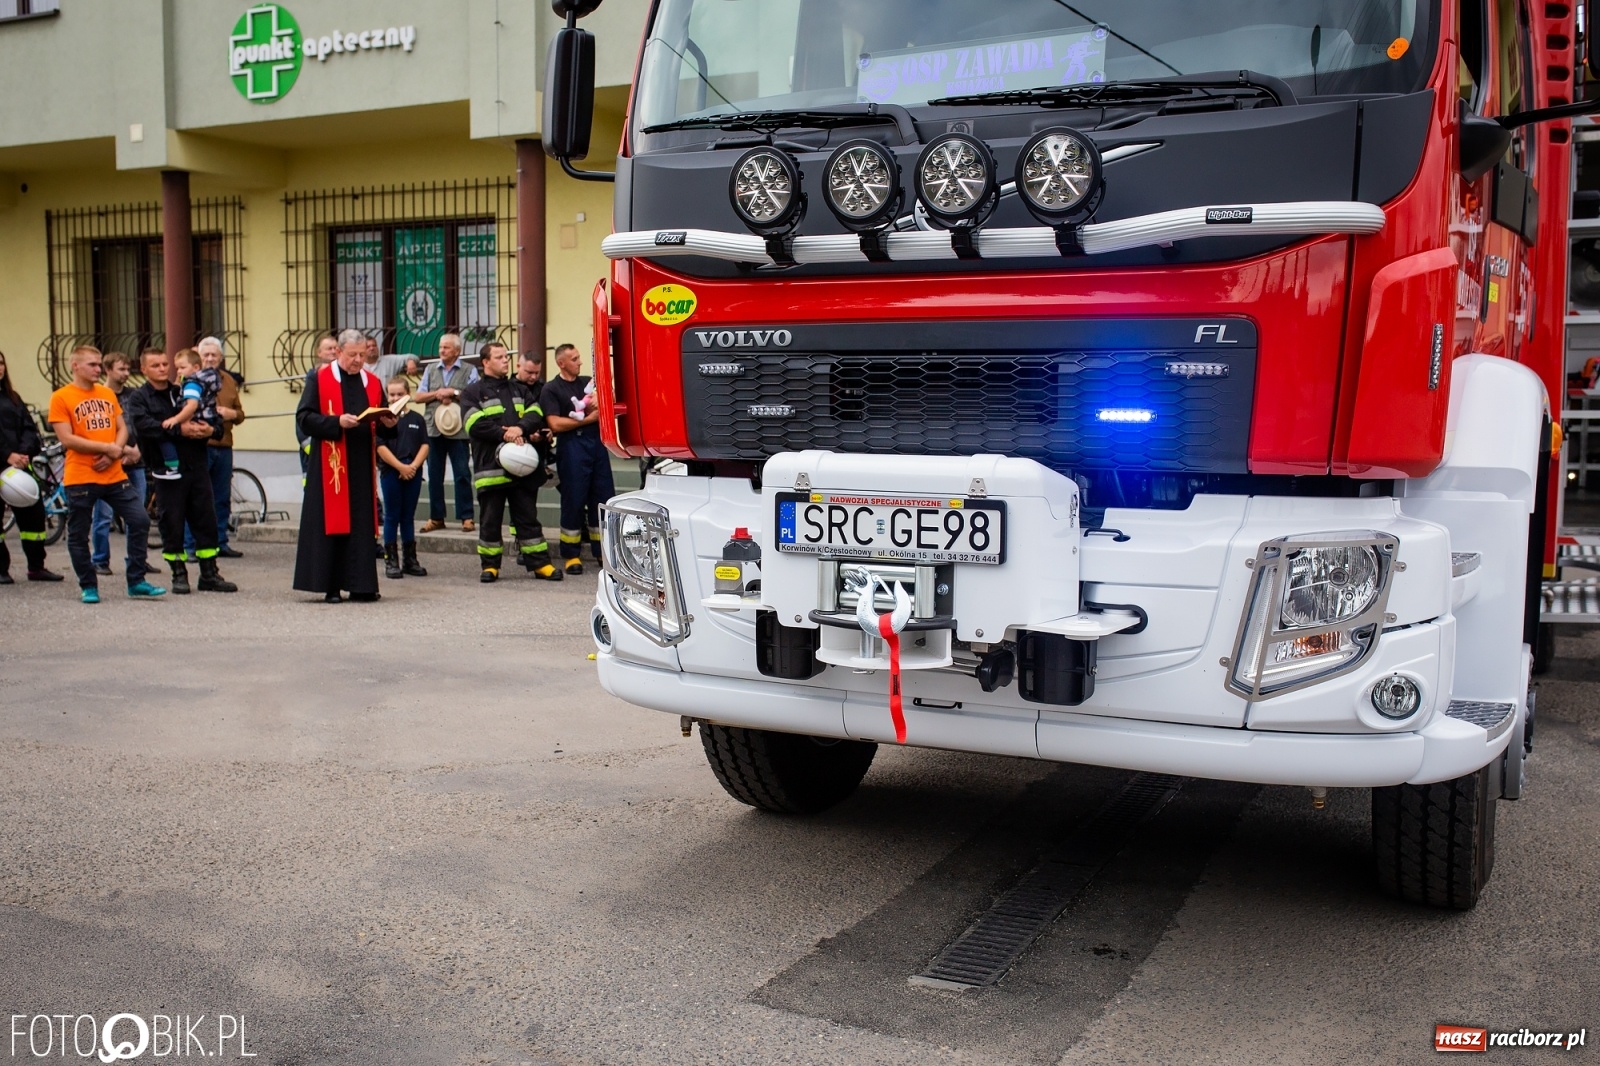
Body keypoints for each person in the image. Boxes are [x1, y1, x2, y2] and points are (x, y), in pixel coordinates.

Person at [47, 346, 164, 603]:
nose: (98, 370)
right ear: (75, 366)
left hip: (113, 474)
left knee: (140, 520)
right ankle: (89, 585)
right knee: (79, 534)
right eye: (92, 365)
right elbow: (67, 438)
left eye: (100, 364)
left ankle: (136, 580)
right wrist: (106, 448)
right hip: (81, 477)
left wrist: (114, 452)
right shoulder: (61, 397)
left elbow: (122, 427)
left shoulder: (106, 393)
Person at [294, 328, 397, 602]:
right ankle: (331, 586)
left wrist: (389, 423)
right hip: (331, 463)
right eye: (352, 355)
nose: (358, 360)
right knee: (332, 523)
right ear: (338, 352)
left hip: (362, 464)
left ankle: (361, 585)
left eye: (363, 355)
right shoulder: (320, 378)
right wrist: (336, 422)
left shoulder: (372, 383)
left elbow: (382, 419)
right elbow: (304, 418)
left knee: (361, 522)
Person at [124, 349, 238, 596]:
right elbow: (145, 427)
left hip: (197, 464)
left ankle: (209, 573)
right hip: (167, 472)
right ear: (143, 369)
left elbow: (215, 419)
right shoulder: (139, 398)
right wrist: (180, 430)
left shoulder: (184, 389)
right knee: (171, 522)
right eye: (156, 365)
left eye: (166, 364)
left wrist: (210, 431)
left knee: (205, 520)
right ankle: (178, 573)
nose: (163, 368)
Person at [460, 342, 557, 582]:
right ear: (485, 362)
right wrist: (504, 433)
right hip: (490, 469)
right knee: (490, 520)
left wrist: (520, 428)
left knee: (527, 518)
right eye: (500, 357)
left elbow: (536, 413)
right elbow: (473, 424)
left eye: (506, 356)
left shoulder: (519, 389)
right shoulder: (472, 392)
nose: (506, 360)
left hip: (521, 470)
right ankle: (490, 566)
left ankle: (540, 564)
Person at [541, 343, 615, 576]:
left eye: (579, 357)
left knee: (602, 499)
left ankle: (602, 551)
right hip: (571, 447)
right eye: (574, 359)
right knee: (573, 501)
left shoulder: (587, 383)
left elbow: (610, 399)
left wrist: (601, 404)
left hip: (597, 447)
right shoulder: (552, 389)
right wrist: (589, 419)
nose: (580, 362)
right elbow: (555, 424)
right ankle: (571, 554)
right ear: (561, 363)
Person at [0, 348, 62, 584]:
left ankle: (36, 567)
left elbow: (29, 428)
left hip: (20, 467)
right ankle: (1, 569)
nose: (0, 367)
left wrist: (24, 453)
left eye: (2, 363)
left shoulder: (13, 397)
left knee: (34, 517)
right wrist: (7, 455)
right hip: (4, 464)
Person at [184, 337, 246, 560]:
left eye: (214, 355)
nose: (210, 359)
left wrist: (232, 414)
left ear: (221, 358)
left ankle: (220, 542)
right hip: (200, 445)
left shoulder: (228, 380)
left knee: (221, 497)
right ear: (199, 358)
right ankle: (190, 546)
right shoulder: (191, 379)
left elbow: (240, 413)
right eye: (206, 355)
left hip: (224, 445)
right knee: (196, 498)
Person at [89, 352, 146, 576]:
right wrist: (118, 451)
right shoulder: (100, 395)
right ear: (108, 370)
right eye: (121, 369)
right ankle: (100, 559)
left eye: (127, 369)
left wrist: (138, 451)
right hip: (109, 461)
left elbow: (141, 425)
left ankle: (137, 559)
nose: (126, 373)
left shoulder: (134, 395)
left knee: (137, 514)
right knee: (102, 515)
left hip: (135, 461)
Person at [415, 332, 477, 533]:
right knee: (434, 475)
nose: (442, 351)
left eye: (446, 347)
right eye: (441, 347)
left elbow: (475, 395)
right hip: (433, 428)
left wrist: (454, 393)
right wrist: (437, 393)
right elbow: (418, 396)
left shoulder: (470, 370)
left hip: (458, 428)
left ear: (457, 351)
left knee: (462, 474)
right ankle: (436, 517)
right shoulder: (431, 369)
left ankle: (466, 517)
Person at [376, 375, 429, 580]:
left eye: (400, 394)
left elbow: (425, 445)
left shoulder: (417, 419)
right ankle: (391, 560)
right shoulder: (383, 419)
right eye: (392, 394)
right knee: (392, 515)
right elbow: (380, 447)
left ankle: (410, 559)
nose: (396, 397)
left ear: (408, 395)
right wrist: (400, 467)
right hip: (391, 472)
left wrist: (413, 466)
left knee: (408, 516)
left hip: (413, 472)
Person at [154, 349, 221, 480]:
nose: (179, 372)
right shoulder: (205, 381)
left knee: (166, 434)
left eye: (182, 368)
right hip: (207, 419)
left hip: (196, 419)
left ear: (196, 367)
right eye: (177, 368)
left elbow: (191, 405)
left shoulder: (191, 384)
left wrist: (175, 419)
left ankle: (172, 467)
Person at [296, 335, 340, 479]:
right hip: (316, 450)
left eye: (336, 348)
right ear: (319, 353)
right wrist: (314, 449)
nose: (333, 352)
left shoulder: (343, 377)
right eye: (329, 349)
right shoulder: (314, 378)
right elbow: (302, 419)